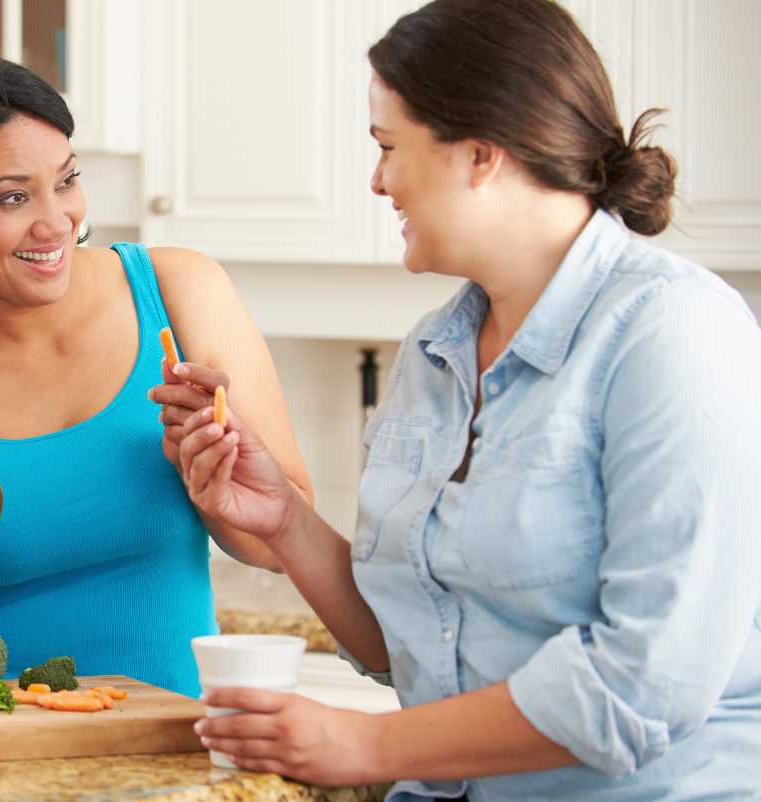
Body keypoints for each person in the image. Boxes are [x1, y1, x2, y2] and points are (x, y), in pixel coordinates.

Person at [163, 0, 761, 798]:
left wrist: (372, 747)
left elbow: (644, 685)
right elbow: (413, 646)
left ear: (480, 152)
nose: (376, 180)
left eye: (388, 147)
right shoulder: (434, 353)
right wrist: (283, 519)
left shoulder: (674, 333)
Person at [0, 57, 312, 697]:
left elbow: (280, 545)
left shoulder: (182, 295)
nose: (56, 223)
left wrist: (214, 479)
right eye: (12, 197)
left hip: (169, 749)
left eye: (66, 182)